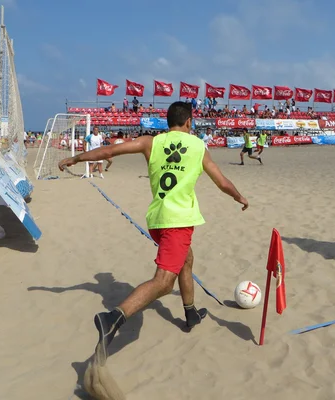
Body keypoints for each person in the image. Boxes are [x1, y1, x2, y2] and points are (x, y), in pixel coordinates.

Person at [58, 101, 248, 360]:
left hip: (157, 220)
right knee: (163, 282)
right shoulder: (198, 147)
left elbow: (110, 151)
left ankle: (190, 312)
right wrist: (239, 197)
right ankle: (112, 318)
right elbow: (221, 181)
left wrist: (75, 158)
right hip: (177, 222)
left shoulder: (151, 142)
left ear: (167, 122)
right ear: (189, 122)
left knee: (186, 259)